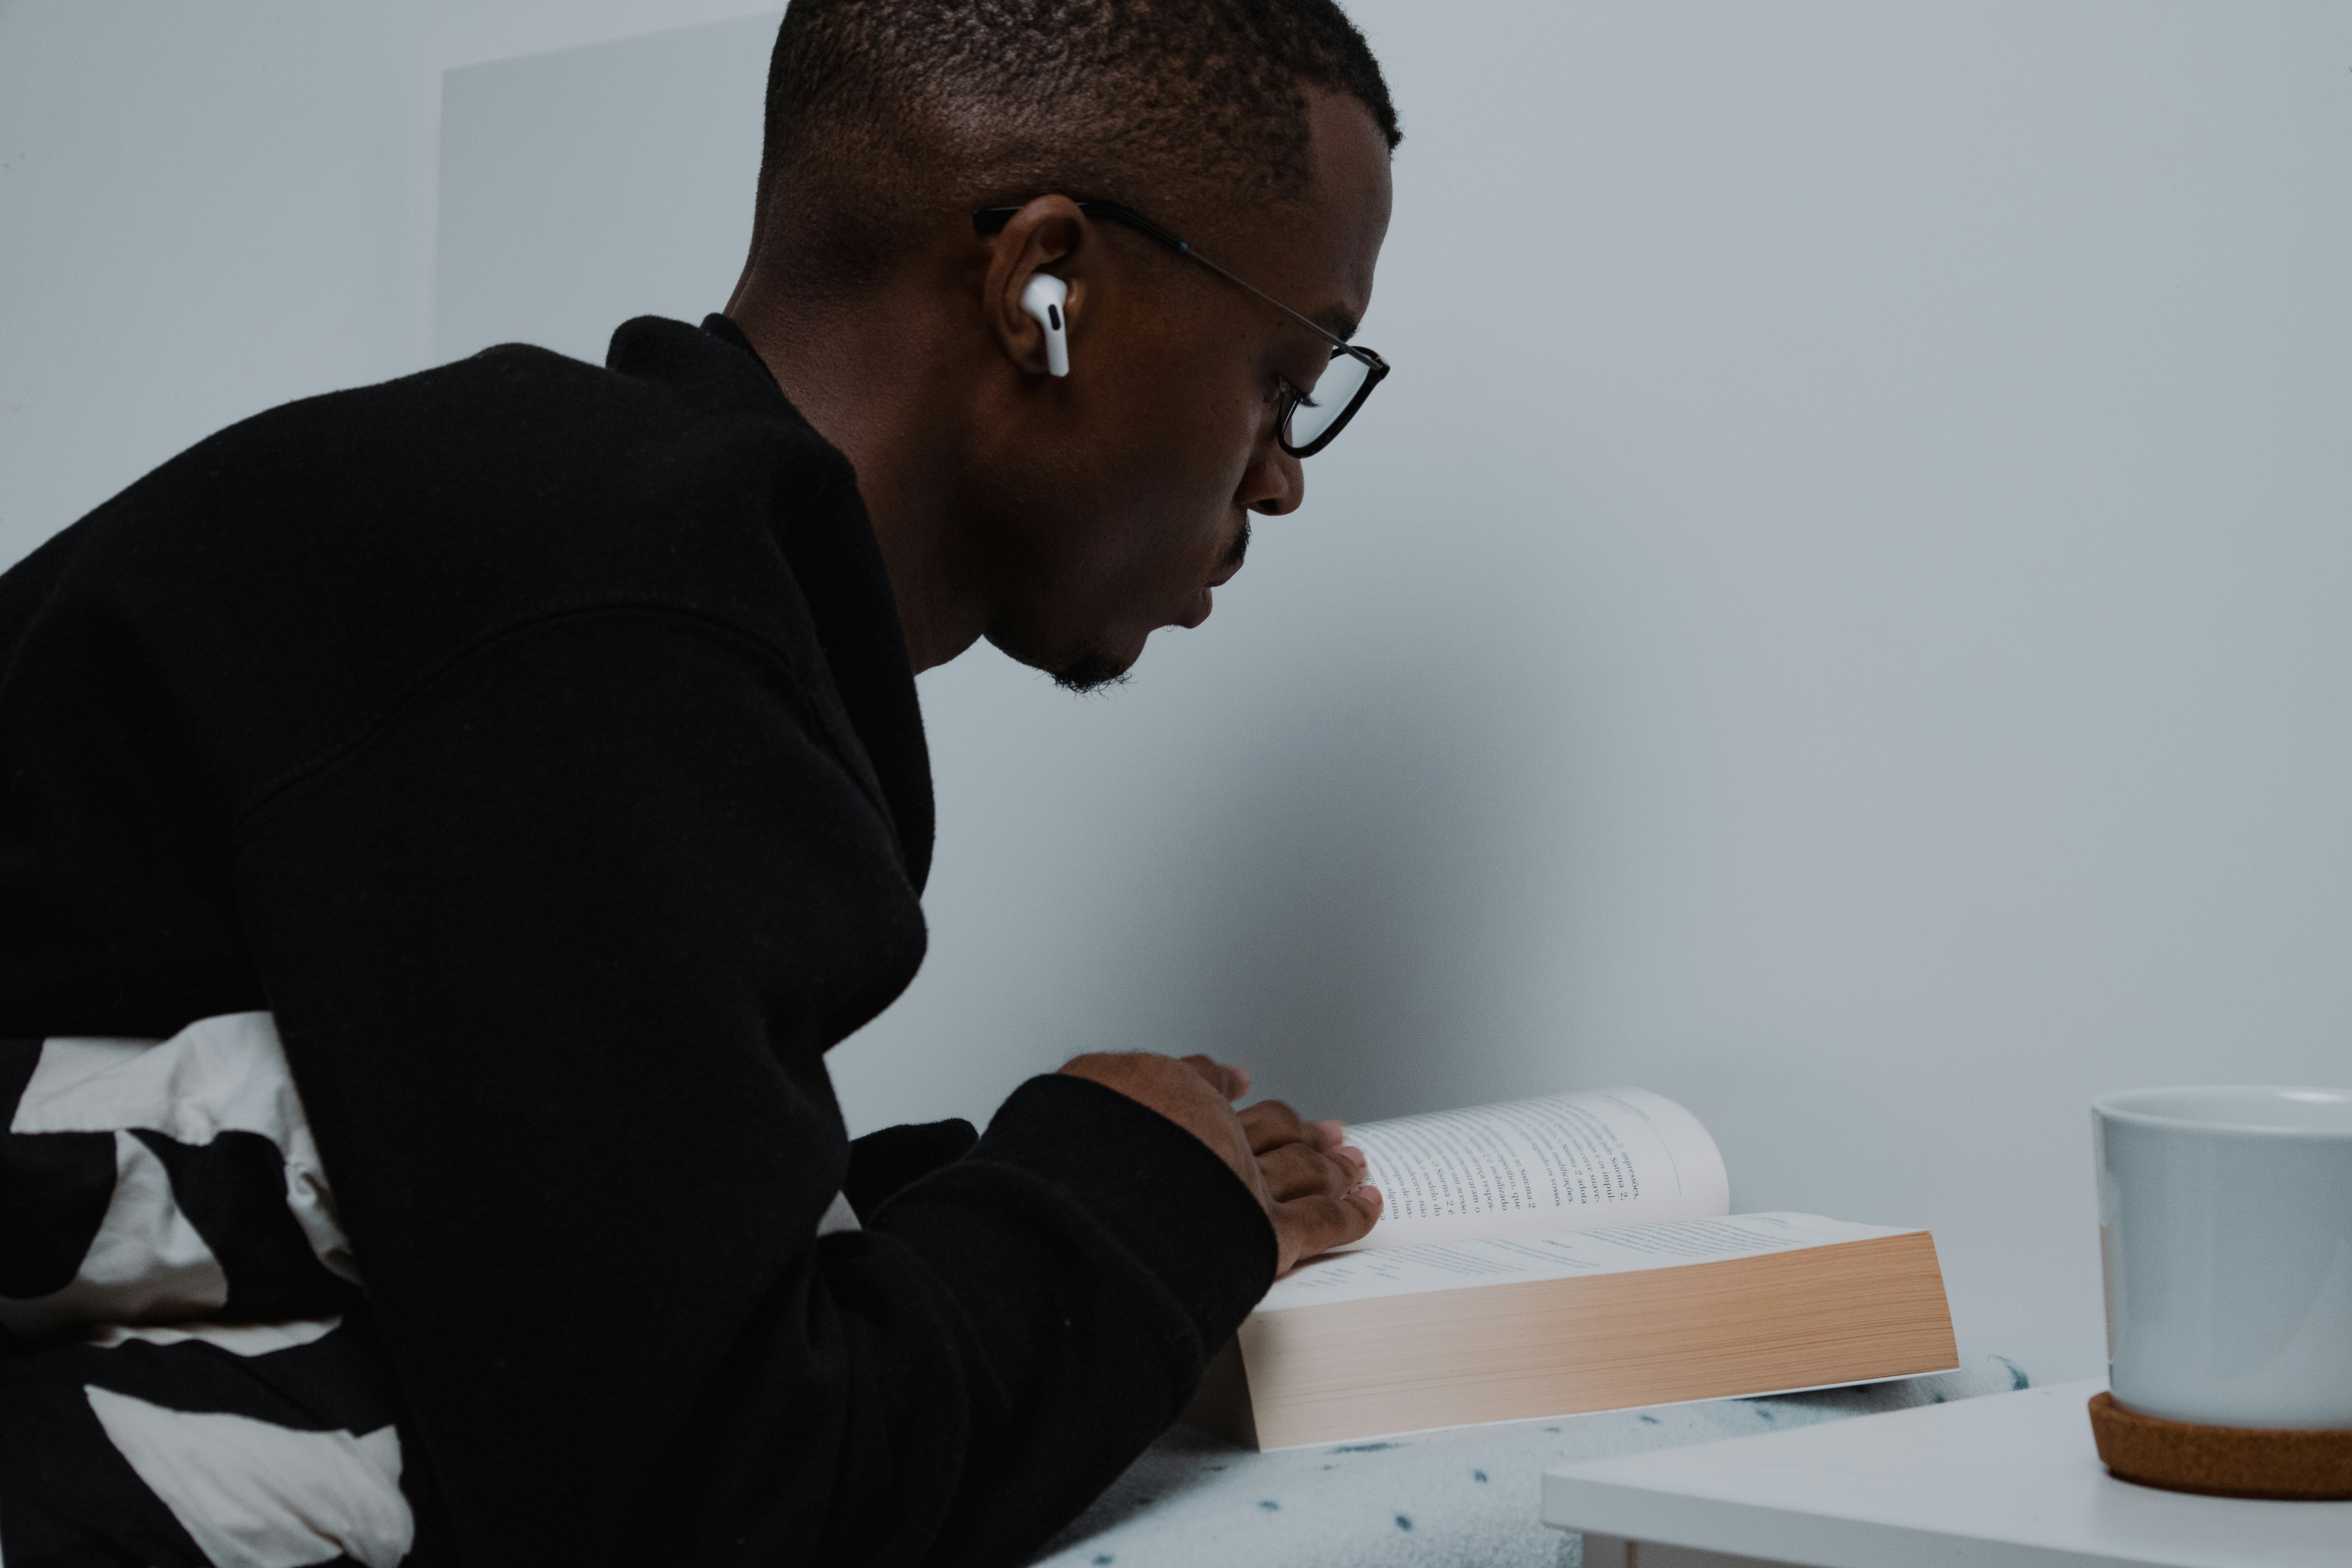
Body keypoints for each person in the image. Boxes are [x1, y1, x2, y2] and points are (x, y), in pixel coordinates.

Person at [0, 0, 1399, 1561]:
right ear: (1043, 285)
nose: (1278, 473)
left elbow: (542, 1248)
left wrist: (1000, 1191)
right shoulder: (596, 609)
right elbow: (711, 1503)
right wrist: (1126, 1205)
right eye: (1290, 377)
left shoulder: (599, 554)